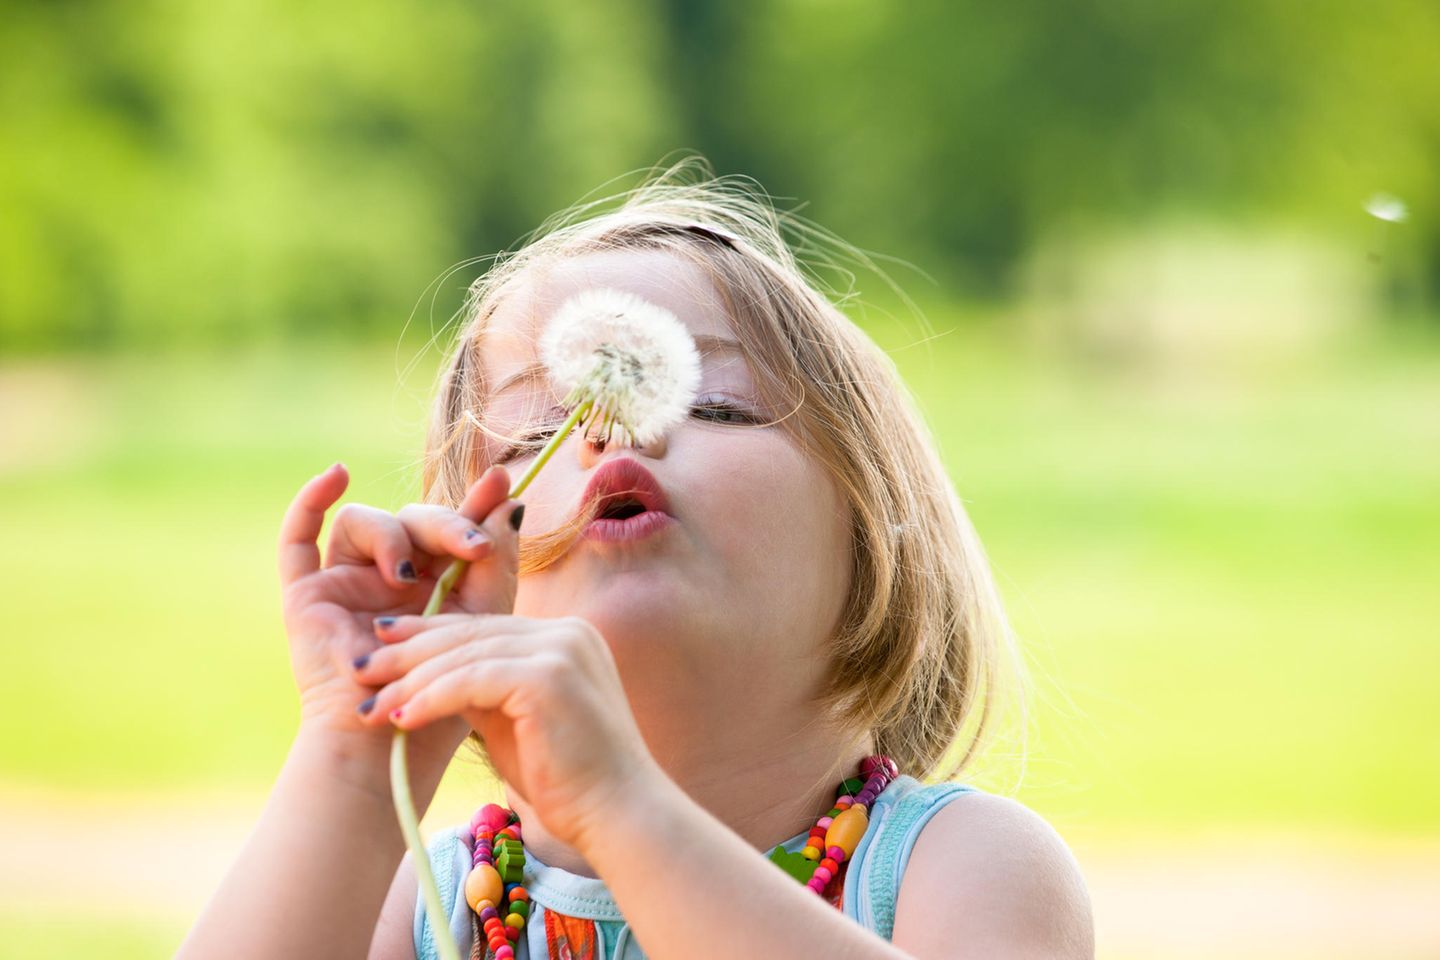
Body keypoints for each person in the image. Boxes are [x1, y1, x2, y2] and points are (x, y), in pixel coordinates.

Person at [177, 159, 1094, 960]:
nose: (608, 431)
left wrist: (626, 810)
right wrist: (354, 758)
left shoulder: (963, 865)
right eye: (538, 429)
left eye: (719, 405)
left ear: (877, 524)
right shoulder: (424, 903)